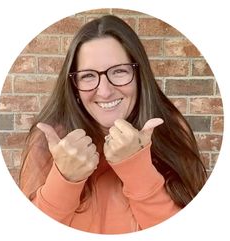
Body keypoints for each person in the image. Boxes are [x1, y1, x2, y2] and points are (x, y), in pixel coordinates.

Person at [19, 14, 207, 234]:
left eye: (118, 71)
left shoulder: (172, 131)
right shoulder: (47, 143)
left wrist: (137, 169)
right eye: (88, 76)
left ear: (139, 76)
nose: (105, 91)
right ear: (74, 86)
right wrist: (65, 179)